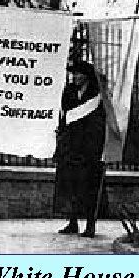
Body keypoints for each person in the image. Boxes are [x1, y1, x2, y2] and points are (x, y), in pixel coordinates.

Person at [54, 60, 105, 238]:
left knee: (89, 187)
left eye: (78, 74)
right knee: (71, 186)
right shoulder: (68, 92)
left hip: (89, 148)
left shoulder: (97, 94)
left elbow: (100, 122)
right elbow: (65, 117)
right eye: (73, 74)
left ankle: (90, 224)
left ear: (87, 76)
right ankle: (73, 222)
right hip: (71, 147)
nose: (75, 77)